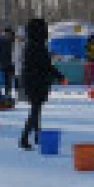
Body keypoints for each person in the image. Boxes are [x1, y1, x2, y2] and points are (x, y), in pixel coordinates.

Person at [20, 19, 65, 150]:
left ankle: (37, 135)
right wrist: (60, 77)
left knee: (36, 109)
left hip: (32, 82)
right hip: (36, 83)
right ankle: (24, 138)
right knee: (35, 110)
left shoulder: (31, 45)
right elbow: (46, 66)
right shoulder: (38, 47)